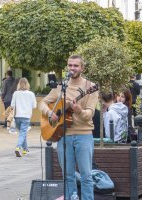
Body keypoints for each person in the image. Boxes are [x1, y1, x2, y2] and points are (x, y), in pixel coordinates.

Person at [38, 55, 98, 200]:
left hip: (83, 135)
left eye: (76, 65)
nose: (72, 68)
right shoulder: (60, 87)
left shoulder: (90, 87)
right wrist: (50, 113)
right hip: (63, 135)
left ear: (82, 68)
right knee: (68, 175)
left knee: (86, 175)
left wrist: (79, 111)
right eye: (70, 65)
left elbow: (89, 114)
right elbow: (42, 103)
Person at [11, 78, 37, 157]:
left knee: (23, 133)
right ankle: (18, 147)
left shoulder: (15, 93)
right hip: (26, 116)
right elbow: (34, 106)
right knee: (23, 133)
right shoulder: (31, 94)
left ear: (19, 84)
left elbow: (12, 105)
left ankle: (25, 149)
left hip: (17, 116)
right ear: (27, 84)